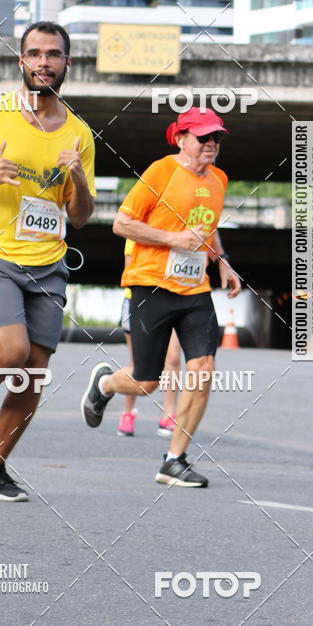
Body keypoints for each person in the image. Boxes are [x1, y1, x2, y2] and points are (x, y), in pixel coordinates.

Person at [0, 21, 96, 502]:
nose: (43, 62)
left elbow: (81, 216)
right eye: (34, 53)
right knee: (10, 354)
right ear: (21, 62)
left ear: (67, 63)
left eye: (53, 54)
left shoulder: (79, 134)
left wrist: (79, 180)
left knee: (33, 371)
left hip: (48, 262)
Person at [81, 107, 241, 488]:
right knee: (146, 381)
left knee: (202, 369)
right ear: (181, 138)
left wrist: (223, 263)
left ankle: (175, 459)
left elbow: (209, 227)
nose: (211, 144)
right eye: (203, 137)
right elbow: (122, 223)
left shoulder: (219, 179)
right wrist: (171, 239)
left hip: (194, 290)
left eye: (216, 137)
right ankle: (104, 385)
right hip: (151, 284)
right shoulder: (160, 172)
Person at [116, 238, 181, 437]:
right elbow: (130, 269)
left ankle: (169, 415)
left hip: (174, 298)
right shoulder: (137, 227)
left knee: (172, 358)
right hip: (140, 300)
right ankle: (127, 413)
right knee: (138, 363)